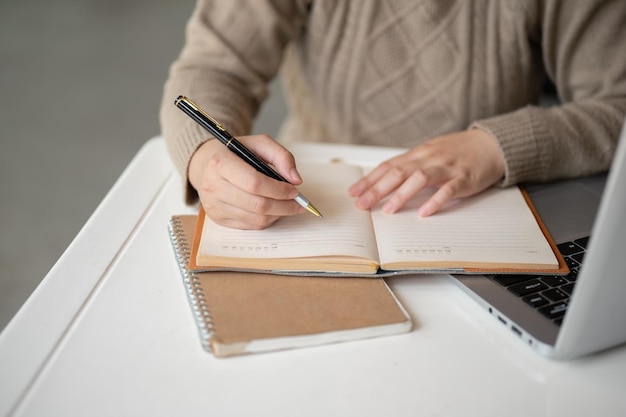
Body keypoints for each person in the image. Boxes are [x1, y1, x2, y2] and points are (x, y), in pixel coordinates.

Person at [160, 0, 626, 230]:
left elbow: (618, 103)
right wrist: (206, 161)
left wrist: (497, 146)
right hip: (310, 186)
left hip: (487, 208)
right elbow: (210, 68)